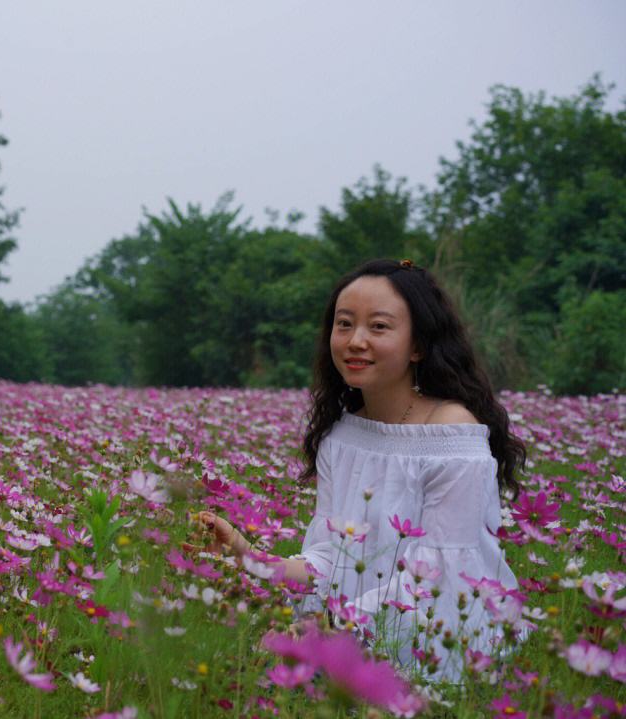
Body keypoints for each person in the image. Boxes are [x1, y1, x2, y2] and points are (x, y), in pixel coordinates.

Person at [195, 258, 527, 681]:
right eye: (345, 324)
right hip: (356, 634)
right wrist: (249, 555)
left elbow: (438, 578)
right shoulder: (341, 438)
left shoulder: (451, 436)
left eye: (379, 327)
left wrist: (330, 635)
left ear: (418, 345)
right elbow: (333, 559)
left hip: (438, 641)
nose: (356, 341)